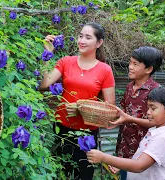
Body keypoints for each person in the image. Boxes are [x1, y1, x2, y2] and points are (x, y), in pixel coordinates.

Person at [39, 22, 115, 179]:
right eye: (80, 36)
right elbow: (44, 84)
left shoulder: (105, 70)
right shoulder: (66, 61)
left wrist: (82, 108)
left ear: (99, 43)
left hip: (86, 135)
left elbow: (110, 109)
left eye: (88, 37)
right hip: (61, 129)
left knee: (84, 175)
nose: (82, 40)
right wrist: (47, 55)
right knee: (59, 174)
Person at [87, 86, 165, 180]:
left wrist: (104, 157)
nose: (148, 112)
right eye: (148, 108)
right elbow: (141, 157)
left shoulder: (163, 138)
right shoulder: (156, 131)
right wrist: (123, 164)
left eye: (153, 108)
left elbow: (139, 166)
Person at [108, 46, 163, 179]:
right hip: (124, 147)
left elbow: (156, 123)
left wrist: (129, 119)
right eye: (130, 62)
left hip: (143, 153)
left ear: (149, 69)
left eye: (135, 64)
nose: (130, 67)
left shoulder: (157, 91)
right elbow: (123, 114)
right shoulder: (129, 87)